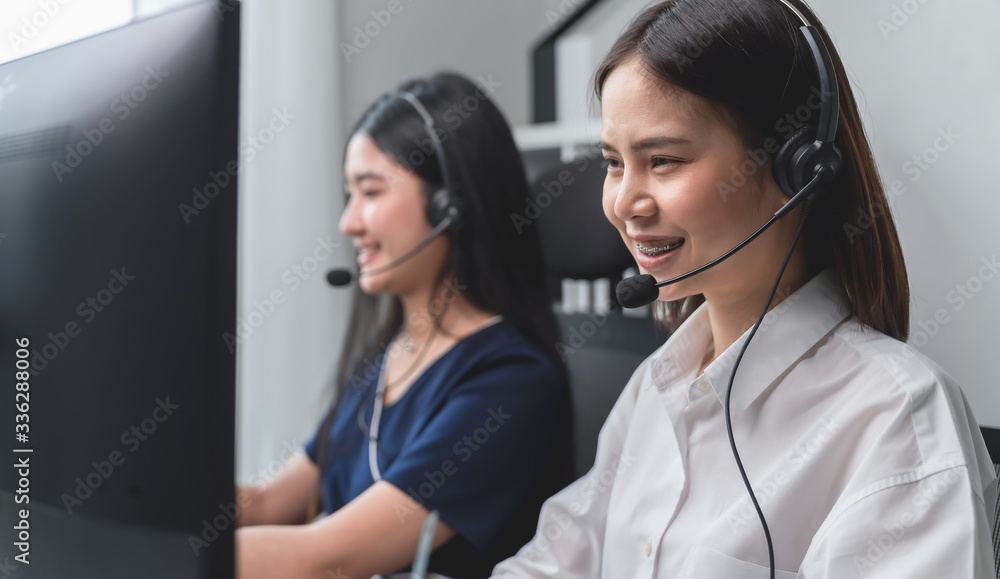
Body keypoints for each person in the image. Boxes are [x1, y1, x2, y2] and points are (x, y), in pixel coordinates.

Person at [492, 0, 996, 577]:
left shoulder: (894, 417)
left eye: (663, 160)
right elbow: (551, 563)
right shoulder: (657, 386)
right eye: (613, 162)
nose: (624, 203)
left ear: (797, 169)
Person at [235, 72, 574, 579]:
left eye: (369, 192)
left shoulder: (512, 379)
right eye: (348, 194)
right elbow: (269, 504)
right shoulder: (390, 353)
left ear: (449, 207)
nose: (348, 222)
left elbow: (328, 558)